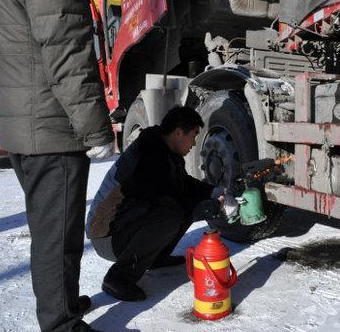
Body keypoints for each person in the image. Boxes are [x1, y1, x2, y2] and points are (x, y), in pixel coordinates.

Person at [0, 0, 115, 332]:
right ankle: (61, 324)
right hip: (51, 128)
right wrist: (95, 130)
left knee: (51, 228)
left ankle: (66, 302)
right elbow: (68, 57)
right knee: (57, 237)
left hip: (21, 125)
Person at [87, 106, 232, 302]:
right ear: (178, 132)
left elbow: (182, 184)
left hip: (123, 226)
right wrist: (200, 208)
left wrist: (212, 193)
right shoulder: (147, 154)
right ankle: (117, 278)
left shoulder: (165, 149)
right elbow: (162, 196)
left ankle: (155, 258)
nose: (195, 142)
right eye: (194, 135)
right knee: (170, 214)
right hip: (108, 236)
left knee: (178, 210)